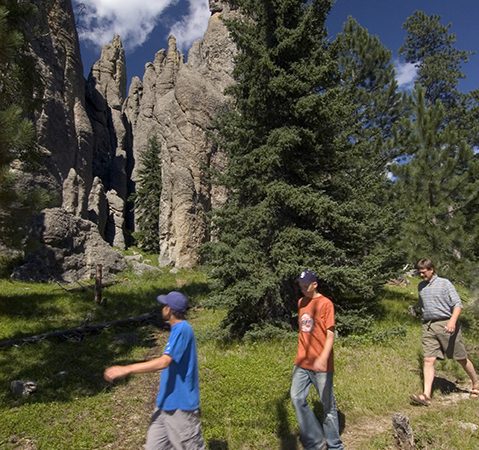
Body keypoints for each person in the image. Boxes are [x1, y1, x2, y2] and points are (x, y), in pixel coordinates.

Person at [104, 291, 205, 450]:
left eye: (164, 305)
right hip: (165, 404)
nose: (162, 308)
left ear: (169, 310)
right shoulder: (176, 330)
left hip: (181, 407)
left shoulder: (183, 329)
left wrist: (127, 369)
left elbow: (164, 361)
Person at [410, 258, 479, 406]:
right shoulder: (421, 286)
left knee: (460, 358)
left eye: (423, 272)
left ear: (431, 269)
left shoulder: (444, 283)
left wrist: (452, 322)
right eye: (419, 273)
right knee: (428, 359)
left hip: (446, 323)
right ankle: (426, 395)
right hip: (428, 326)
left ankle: (476, 383)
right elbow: (423, 306)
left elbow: (457, 304)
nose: (421, 275)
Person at [290, 269, 343, 450]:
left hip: (322, 364)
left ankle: (335, 445)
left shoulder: (326, 303)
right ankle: (316, 441)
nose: (303, 288)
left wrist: (323, 358)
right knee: (296, 398)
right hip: (302, 362)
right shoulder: (301, 302)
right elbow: (302, 332)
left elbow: (330, 335)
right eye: (301, 285)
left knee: (327, 405)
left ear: (315, 284)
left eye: (306, 285)